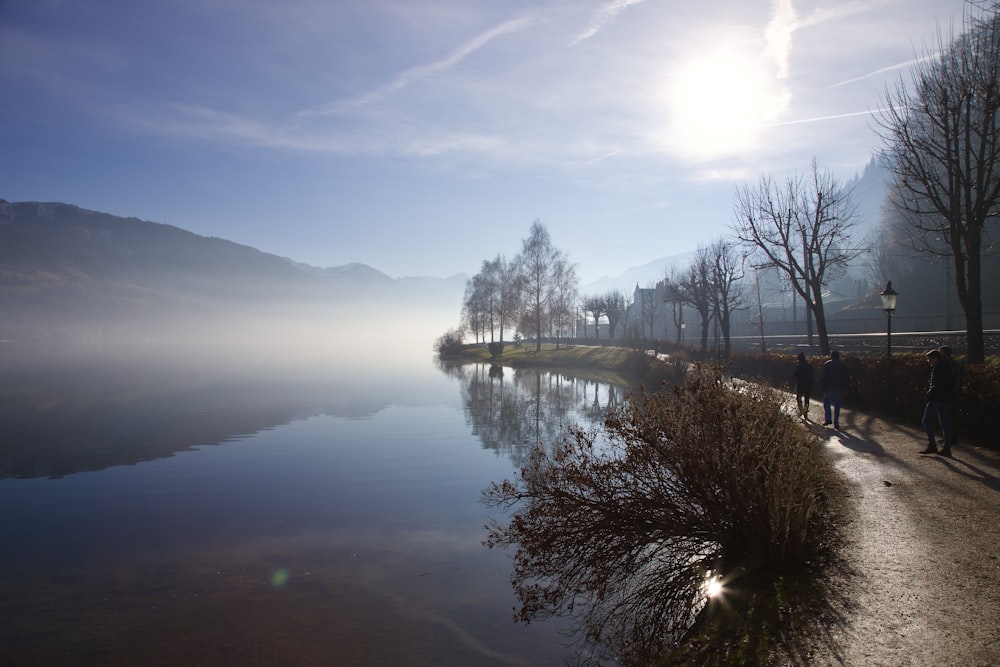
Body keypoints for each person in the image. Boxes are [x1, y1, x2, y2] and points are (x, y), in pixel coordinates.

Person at [921, 349, 955, 457]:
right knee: (945, 423)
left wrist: (929, 393)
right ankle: (947, 447)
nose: (929, 361)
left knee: (926, 420)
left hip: (936, 399)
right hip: (946, 399)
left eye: (930, 359)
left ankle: (932, 444)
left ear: (935, 358)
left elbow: (937, 385)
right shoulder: (947, 367)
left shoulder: (938, 368)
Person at [939, 346, 962, 445]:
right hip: (948, 393)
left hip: (951, 394)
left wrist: (954, 392)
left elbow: (956, 379)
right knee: (947, 416)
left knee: (949, 416)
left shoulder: (951, 364)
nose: (939, 353)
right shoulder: (949, 363)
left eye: (941, 351)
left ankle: (952, 438)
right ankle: (948, 437)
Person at [820, 350, 847, 429]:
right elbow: (845, 378)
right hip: (838, 387)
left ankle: (828, 419)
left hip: (828, 387)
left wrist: (822, 386)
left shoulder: (827, 364)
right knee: (837, 405)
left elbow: (824, 377)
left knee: (826, 403)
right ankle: (836, 422)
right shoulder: (842, 365)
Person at [793, 352, 814, 420]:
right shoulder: (809, 366)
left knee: (799, 398)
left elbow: (795, 375)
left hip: (800, 385)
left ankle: (801, 410)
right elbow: (812, 376)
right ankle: (805, 412)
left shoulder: (799, 366)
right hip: (808, 385)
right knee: (806, 399)